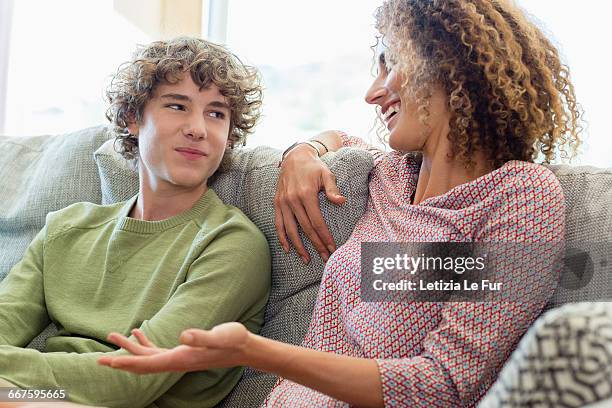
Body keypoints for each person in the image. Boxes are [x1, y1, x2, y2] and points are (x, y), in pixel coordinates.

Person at [98, 0, 582, 406]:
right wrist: (304, 151)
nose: (373, 92)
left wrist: (252, 351)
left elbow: (444, 384)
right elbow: (340, 137)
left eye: (391, 64)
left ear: (450, 65)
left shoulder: (519, 198)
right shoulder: (391, 176)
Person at [0, 37, 271, 408]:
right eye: (178, 106)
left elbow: (132, 380)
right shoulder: (66, 228)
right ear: (132, 118)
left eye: (216, 113)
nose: (198, 129)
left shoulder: (232, 243)